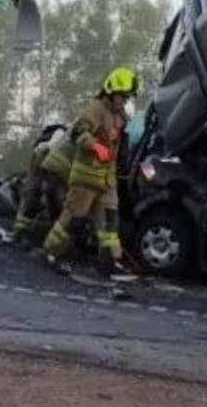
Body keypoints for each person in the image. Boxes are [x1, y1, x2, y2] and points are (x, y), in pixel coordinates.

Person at [44, 66, 139, 275]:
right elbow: (78, 133)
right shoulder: (95, 108)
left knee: (110, 224)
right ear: (111, 92)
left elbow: (116, 147)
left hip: (106, 181)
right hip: (86, 177)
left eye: (127, 98)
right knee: (72, 218)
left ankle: (109, 262)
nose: (125, 101)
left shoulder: (119, 116)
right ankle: (52, 252)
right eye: (123, 97)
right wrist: (95, 146)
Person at [12, 124, 71, 244]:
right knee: (34, 195)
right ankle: (21, 232)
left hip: (54, 170)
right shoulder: (56, 138)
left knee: (42, 196)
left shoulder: (59, 138)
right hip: (49, 168)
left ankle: (25, 232)